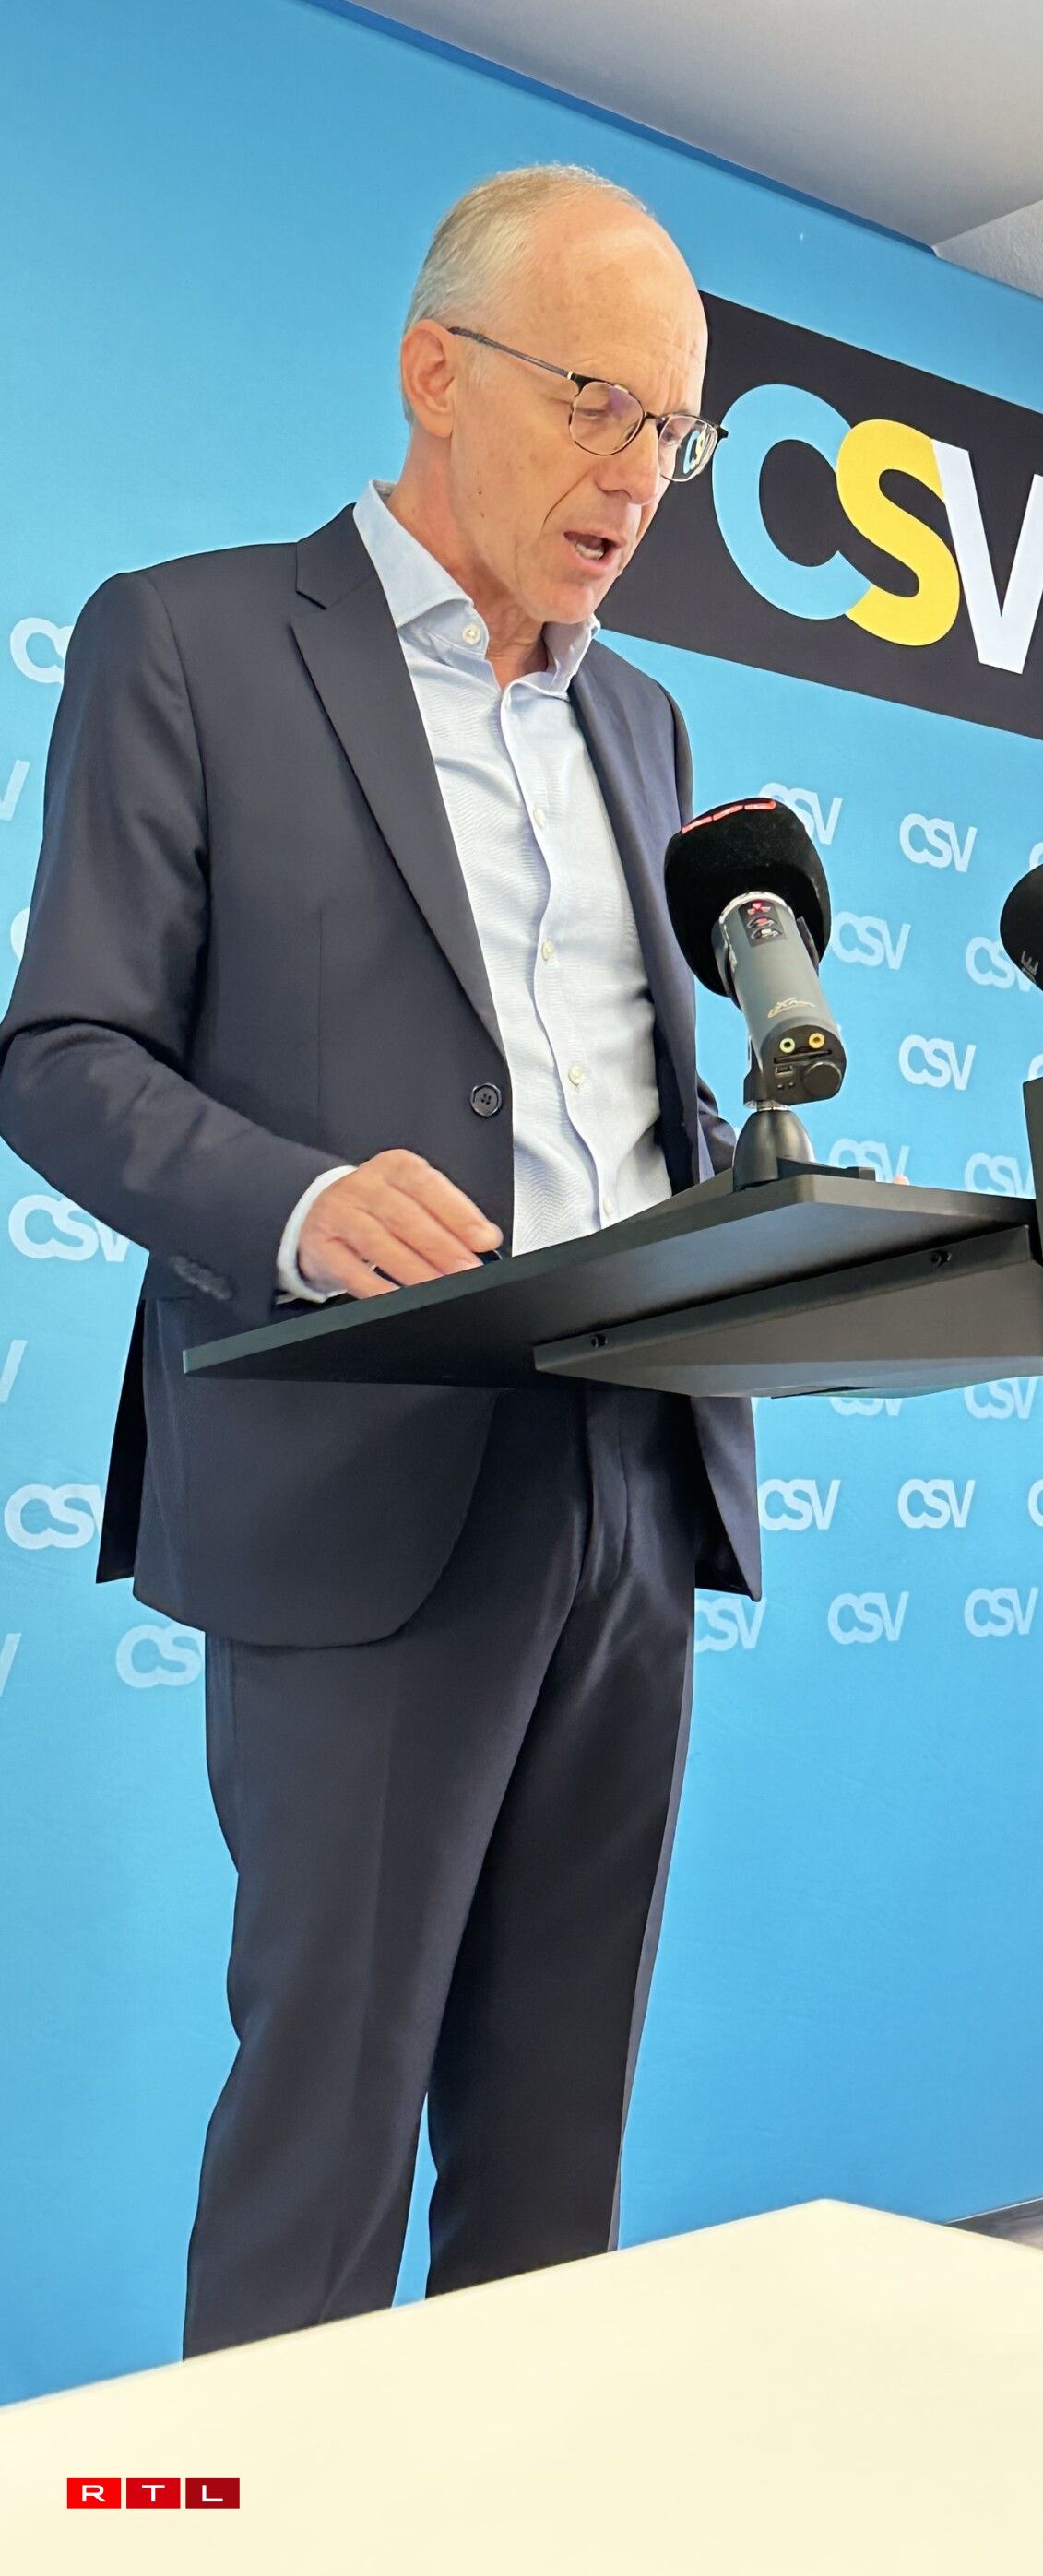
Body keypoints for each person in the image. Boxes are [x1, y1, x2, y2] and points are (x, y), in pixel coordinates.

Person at [0, 164, 758, 2357]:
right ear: (437, 371)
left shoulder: (646, 724)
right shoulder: (193, 638)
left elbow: (630, 1096)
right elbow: (61, 1053)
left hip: (630, 1474)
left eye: (675, 431)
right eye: (597, 403)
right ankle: (252, 2510)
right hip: (365, 1472)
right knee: (321, 2142)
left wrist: (752, 1220)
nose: (638, 476)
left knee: (555, 2135)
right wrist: (300, 1204)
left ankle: (502, 2501)